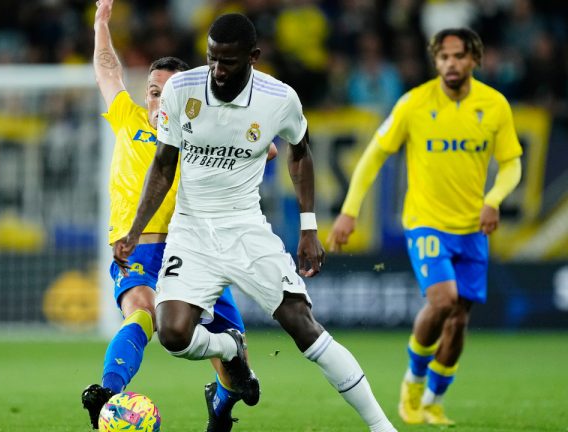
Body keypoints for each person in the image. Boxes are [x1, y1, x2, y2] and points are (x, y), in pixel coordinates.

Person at [114, 13, 396, 432]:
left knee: (303, 327)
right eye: (212, 59)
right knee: (173, 335)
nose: (218, 70)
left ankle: (380, 426)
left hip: (245, 229)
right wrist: (135, 230)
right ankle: (230, 347)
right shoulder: (181, 89)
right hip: (191, 232)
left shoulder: (278, 98)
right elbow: (163, 163)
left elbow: (300, 153)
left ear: (253, 57)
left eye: (228, 61)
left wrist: (308, 227)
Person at [82, 2, 267, 430]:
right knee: (142, 311)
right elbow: (108, 70)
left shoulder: (202, 133)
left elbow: (264, 146)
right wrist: (102, 22)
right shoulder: (129, 120)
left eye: (167, 91)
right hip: (141, 248)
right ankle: (108, 392)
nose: (157, 97)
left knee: (239, 372)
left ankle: (220, 409)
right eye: (152, 89)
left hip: (198, 251)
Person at [328, 28, 522, 426]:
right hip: (426, 223)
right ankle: (413, 380)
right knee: (443, 300)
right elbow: (372, 156)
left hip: (472, 229)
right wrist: (349, 211)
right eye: (444, 57)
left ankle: (432, 399)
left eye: (458, 56)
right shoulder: (414, 103)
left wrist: (493, 199)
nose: (451, 63)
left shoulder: (495, 105)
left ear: (474, 60)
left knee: (460, 319)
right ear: (436, 62)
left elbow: (512, 163)